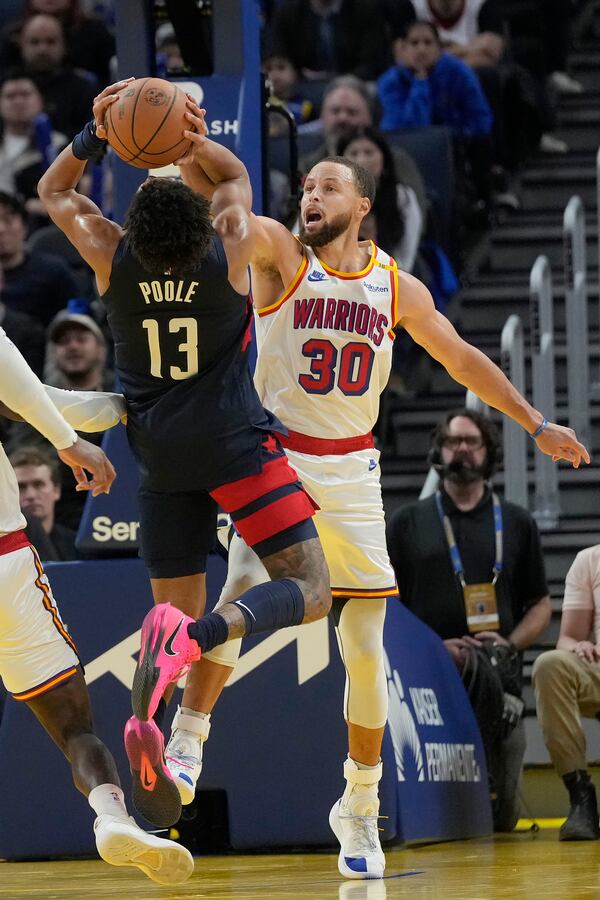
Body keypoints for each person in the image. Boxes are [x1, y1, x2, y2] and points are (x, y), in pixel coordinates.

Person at [132, 106, 587, 878]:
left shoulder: (393, 285)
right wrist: (184, 146)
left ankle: (362, 805)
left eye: (327, 187)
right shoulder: (283, 255)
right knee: (242, 590)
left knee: (366, 649)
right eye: (306, 186)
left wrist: (535, 421)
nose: (310, 195)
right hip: (274, 457)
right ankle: (183, 749)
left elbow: (464, 359)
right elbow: (235, 210)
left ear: (363, 204)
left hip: (353, 472)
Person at [38, 80, 331, 830]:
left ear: (129, 224)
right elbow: (234, 178)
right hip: (235, 445)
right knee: (311, 588)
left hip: (159, 459)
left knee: (169, 612)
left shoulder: (109, 254)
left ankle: (165, 735)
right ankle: (198, 644)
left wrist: (98, 132)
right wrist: (191, 135)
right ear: (206, 225)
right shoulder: (229, 243)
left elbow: (54, 190)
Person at [0, 325, 193, 885]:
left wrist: (119, 406)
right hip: (6, 561)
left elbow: (39, 397)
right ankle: (110, 815)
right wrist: (72, 436)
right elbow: (35, 396)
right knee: (73, 727)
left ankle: (114, 818)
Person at [386, 408, 552, 831]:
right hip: (428, 673)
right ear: (439, 451)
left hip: (498, 676)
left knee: (501, 817)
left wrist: (508, 645)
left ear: (487, 451)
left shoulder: (517, 522)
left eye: (470, 441)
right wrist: (430, 649)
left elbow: (540, 604)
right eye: (452, 442)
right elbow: (388, 606)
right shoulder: (406, 523)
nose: (461, 449)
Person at [533, 545, 600, 840]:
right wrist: (578, 645)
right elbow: (569, 637)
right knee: (551, 664)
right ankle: (581, 796)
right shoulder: (590, 560)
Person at [299, 75, 428, 225]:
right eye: (335, 111)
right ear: (322, 117)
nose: (342, 118)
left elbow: (417, 221)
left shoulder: (396, 161)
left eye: (352, 112)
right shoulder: (308, 166)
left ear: (369, 118)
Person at [336, 125, 423, 273]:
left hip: (392, 280)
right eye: (353, 153)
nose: (361, 160)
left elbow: (406, 260)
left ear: (384, 160)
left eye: (369, 153)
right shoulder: (327, 199)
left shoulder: (402, 198)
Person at [0, 190, 79, 327]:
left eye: (8, 220)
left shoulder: (53, 272)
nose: (1, 229)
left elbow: (77, 318)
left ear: (24, 226)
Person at [267, 0, 389, 82]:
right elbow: (279, 55)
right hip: (303, 84)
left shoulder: (366, 8)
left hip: (355, 83)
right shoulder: (288, 12)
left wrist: (341, 80)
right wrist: (286, 73)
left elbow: (372, 62)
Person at [18, 13, 97, 139]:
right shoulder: (9, 86)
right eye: (34, 42)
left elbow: (92, 136)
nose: (42, 49)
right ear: (21, 45)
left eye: (51, 42)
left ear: (64, 45)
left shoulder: (83, 88)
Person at [10, 443, 78, 559]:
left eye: (38, 485)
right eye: (20, 487)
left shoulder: (77, 545)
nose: (31, 495)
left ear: (56, 490)